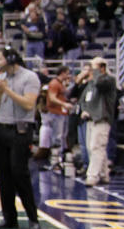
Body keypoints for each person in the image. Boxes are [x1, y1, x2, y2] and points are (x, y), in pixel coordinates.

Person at [0, 48, 41, 229]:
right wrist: (0, 93)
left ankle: (33, 218)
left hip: (20, 130)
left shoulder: (29, 77)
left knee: (20, 173)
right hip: (1, 129)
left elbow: (28, 103)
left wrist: (7, 90)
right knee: (3, 175)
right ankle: (9, 218)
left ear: (10, 59)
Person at [78, 57, 117, 187]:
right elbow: (83, 99)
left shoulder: (109, 80)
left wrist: (94, 72)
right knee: (93, 148)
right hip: (90, 119)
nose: (91, 70)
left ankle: (92, 176)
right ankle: (104, 173)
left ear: (102, 68)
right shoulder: (90, 83)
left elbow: (100, 85)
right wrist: (84, 110)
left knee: (96, 147)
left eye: (94, 68)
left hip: (102, 119)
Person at [36, 66, 72, 166]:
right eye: (67, 73)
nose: (68, 75)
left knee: (62, 136)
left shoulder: (61, 84)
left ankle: (59, 157)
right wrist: (64, 104)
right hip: (56, 113)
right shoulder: (54, 83)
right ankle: (56, 159)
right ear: (63, 73)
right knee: (57, 137)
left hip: (62, 113)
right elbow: (52, 98)